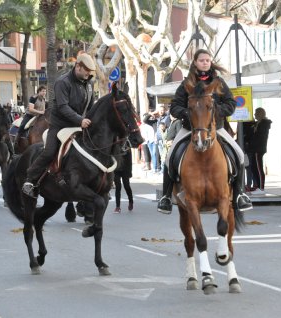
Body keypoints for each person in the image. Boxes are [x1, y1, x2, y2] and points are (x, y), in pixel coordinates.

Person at [157, 48, 252, 214]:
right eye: (202, 60)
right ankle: (165, 197)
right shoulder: (187, 84)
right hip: (190, 128)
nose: (205, 63)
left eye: (207, 60)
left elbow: (231, 103)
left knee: (238, 154)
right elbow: (175, 107)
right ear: (195, 62)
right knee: (169, 156)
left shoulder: (219, 83)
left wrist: (214, 113)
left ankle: (239, 195)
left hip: (216, 128)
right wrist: (188, 113)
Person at [22, 53, 96, 197]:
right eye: (86, 70)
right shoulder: (63, 82)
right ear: (78, 66)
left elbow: (91, 106)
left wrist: (91, 119)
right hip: (60, 125)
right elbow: (63, 107)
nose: (88, 73)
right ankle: (30, 180)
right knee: (49, 151)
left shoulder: (89, 84)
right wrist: (80, 119)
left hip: (80, 125)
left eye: (90, 71)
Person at [248, 107, 272, 194]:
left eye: (255, 113)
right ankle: (258, 187)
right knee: (254, 168)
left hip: (258, 149)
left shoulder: (263, 124)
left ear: (259, 114)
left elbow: (259, 137)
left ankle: (261, 188)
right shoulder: (258, 124)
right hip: (255, 149)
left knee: (259, 168)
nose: (254, 115)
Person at [113, 148, 134, 213]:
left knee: (126, 186)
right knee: (118, 187)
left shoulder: (127, 146)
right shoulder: (114, 145)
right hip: (116, 170)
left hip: (125, 169)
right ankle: (117, 207)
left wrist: (130, 172)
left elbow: (130, 160)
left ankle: (131, 201)